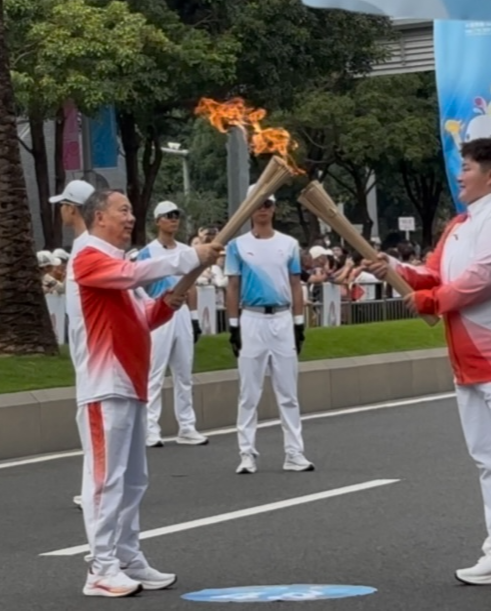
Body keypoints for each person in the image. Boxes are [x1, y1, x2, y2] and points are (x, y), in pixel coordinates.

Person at [365, 138, 491, 589]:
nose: (459, 175)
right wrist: (391, 267)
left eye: (466, 167)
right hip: (468, 358)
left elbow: (484, 279)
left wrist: (427, 299)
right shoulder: (461, 224)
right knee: (488, 458)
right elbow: (434, 273)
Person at [70, 188, 221, 597]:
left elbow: (143, 318)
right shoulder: (87, 255)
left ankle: (127, 556)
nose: (131, 217)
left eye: (132, 211)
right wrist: (191, 256)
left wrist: (170, 302)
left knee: (134, 480)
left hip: (131, 381)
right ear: (99, 216)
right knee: (105, 481)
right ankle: (100, 568)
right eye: (123, 210)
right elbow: (136, 275)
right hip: (104, 384)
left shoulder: (118, 262)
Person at [225, 185, 313, 475]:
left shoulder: (288, 244)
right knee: (249, 392)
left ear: (274, 208)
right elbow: (233, 286)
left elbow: (295, 284)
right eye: (259, 203)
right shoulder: (236, 246)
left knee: (288, 392)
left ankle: (294, 453)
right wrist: (234, 325)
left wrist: (299, 324)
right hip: (251, 319)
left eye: (268, 203)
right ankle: (247, 453)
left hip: (281, 319)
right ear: (250, 208)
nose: (263, 208)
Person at [136, 201, 209, 448]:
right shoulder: (147, 252)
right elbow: (138, 286)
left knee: (184, 373)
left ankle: (187, 427)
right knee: (155, 373)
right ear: (158, 221)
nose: (173, 219)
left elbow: (192, 284)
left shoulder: (187, 251)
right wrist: (149, 310)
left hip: (182, 314)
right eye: (168, 216)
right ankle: (151, 429)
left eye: (176, 215)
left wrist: (195, 318)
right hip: (159, 314)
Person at [49, 179, 96, 511]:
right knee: (90, 422)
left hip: (95, 351)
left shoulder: (89, 247)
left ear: (72, 208)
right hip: (86, 349)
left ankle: (97, 489)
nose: (61, 210)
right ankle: (94, 486)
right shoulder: (84, 245)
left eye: (64, 205)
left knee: (93, 422)